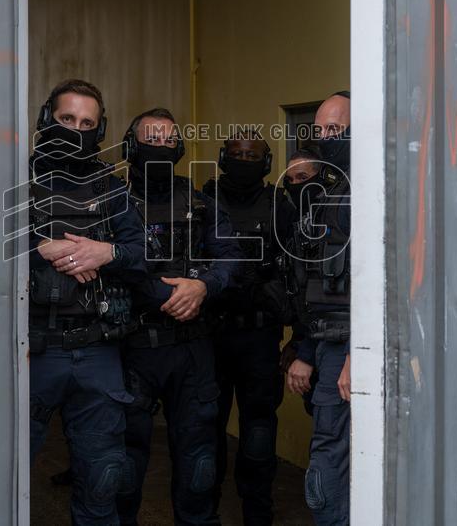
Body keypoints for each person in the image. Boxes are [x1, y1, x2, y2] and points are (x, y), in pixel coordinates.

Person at [27, 80, 147, 525]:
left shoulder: (111, 189)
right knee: (5, 473)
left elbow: (142, 254)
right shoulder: (17, 181)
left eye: (86, 124)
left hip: (97, 350)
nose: (75, 130)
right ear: (47, 119)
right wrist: (39, 249)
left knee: (103, 476)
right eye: (66, 119)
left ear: (99, 130)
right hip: (31, 351)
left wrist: (106, 252)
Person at [116, 108, 242, 526]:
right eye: (151, 139)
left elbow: (230, 256)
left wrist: (204, 286)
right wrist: (167, 294)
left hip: (192, 349)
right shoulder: (112, 203)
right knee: (122, 465)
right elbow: (108, 265)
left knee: (199, 464)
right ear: (131, 146)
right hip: (132, 348)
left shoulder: (200, 203)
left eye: (169, 140)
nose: (161, 147)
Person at [202, 133, 296, 525]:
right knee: (206, 430)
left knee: (258, 431)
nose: (244, 161)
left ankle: (258, 514)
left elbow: (298, 270)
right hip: (211, 336)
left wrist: (297, 334)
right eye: (237, 154)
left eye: (251, 156)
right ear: (223, 158)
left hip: (259, 338)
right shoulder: (203, 201)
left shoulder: (280, 206)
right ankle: (204, 512)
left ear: (266, 163)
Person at [289, 92, 352, 525]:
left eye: (335, 129)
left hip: (351, 352)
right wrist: (307, 352)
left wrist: (356, 353)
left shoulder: (377, 191)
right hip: (329, 347)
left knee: (331, 469)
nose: (326, 138)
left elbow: (381, 284)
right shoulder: (333, 194)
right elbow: (320, 287)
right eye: (321, 130)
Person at [278, 148, 322, 416]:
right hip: (309, 338)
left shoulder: (332, 220)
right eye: (290, 180)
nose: (295, 185)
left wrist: (306, 352)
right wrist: (297, 341)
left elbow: (327, 299)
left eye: (303, 178)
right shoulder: (296, 222)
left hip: (330, 343)